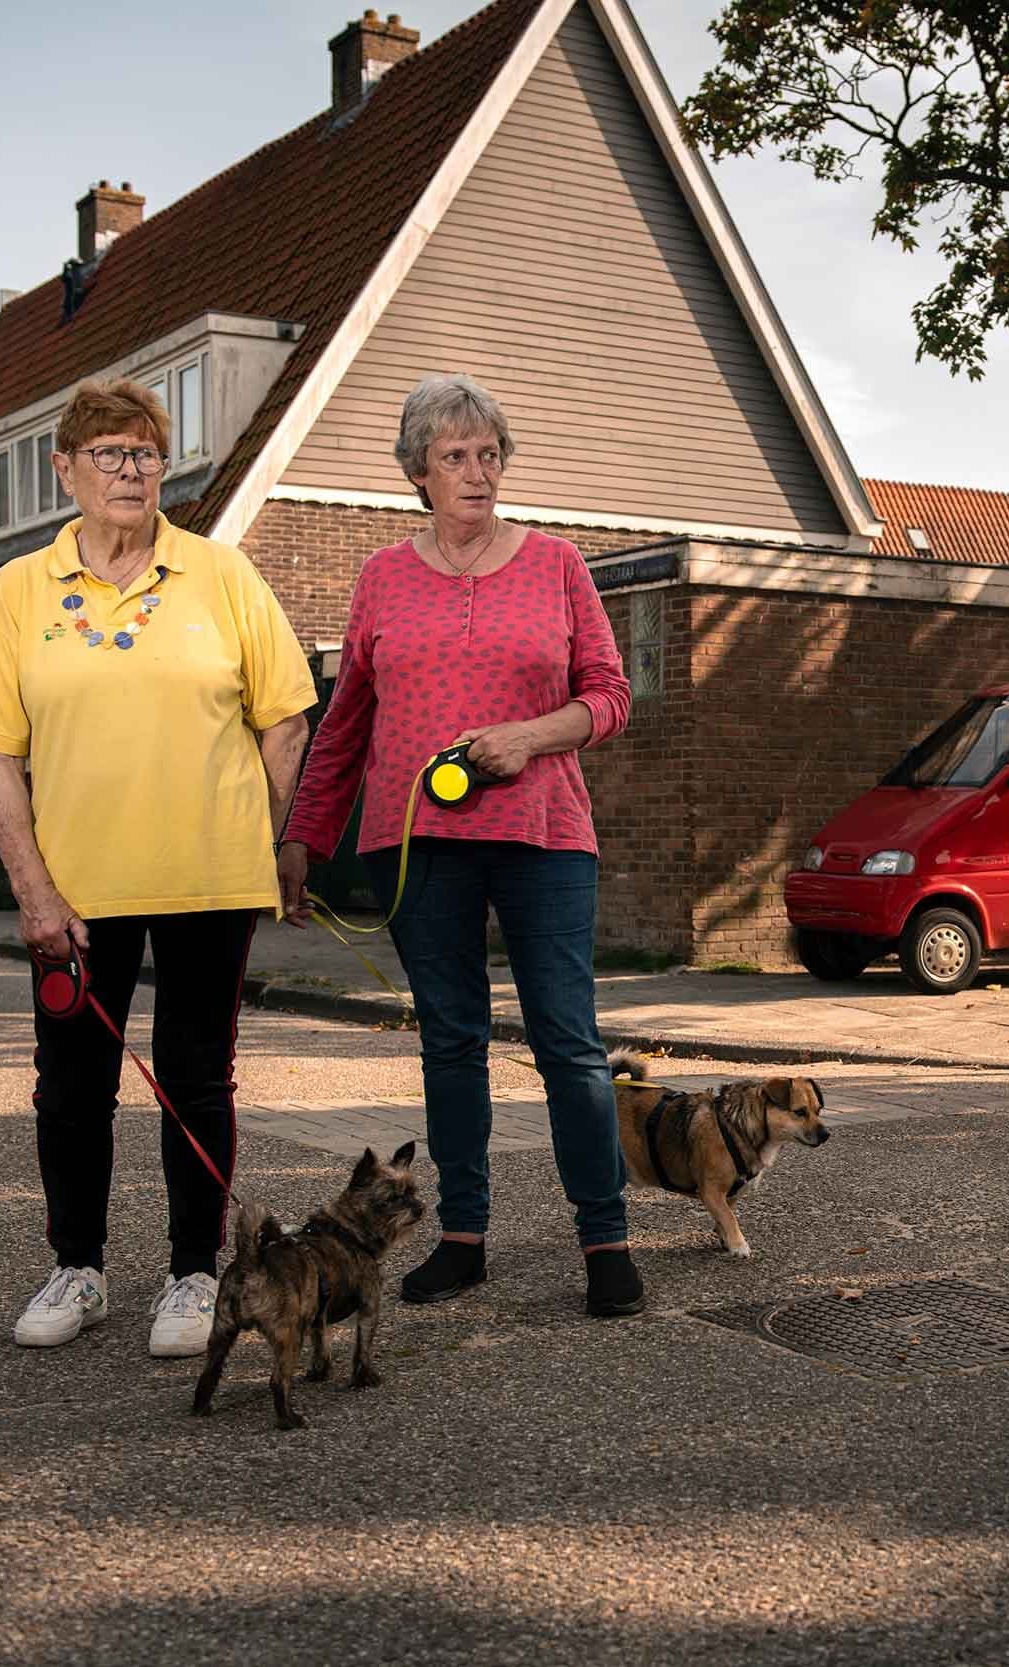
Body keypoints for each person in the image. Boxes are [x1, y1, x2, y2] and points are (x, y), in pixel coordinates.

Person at [0, 377, 318, 1356]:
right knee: (71, 1087)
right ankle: (79, 1267)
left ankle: (195, 1277)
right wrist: (32, 889)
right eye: (106, 452)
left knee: (197, 1079)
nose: (128, 468)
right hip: (74, 894)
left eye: (144, 452)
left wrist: (265, 838)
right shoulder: (19, 590)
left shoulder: (222, 575)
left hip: (208, 881)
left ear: (166, 467)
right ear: (63, 469)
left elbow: (287, 718)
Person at [277, 372, 641, 1317]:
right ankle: (463, 1237)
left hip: (545, 833)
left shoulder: (558, 564)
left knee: (569, 1042)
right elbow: (345, 723)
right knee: (451, 1044)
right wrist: (303, 841)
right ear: (419, 473)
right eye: (455, 457)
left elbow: (610, 696)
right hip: (417, 842)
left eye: (490, 454)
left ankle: (605, 1239)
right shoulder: (380, 577)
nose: (478, 473)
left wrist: (529, 735)